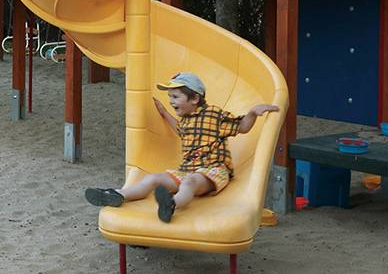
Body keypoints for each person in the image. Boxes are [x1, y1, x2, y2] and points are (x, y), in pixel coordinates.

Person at [84, 72, 277, 222]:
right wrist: (164, 112)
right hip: (187, 170)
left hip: (213, 170)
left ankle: (171, 205)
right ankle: (117, 195)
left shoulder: (214, 114)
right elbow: (180, 130)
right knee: (153, 179)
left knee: (190, 183)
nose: (171, 100)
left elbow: (242, 127)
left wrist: (252, 113)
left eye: (176, 97)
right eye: (170, 97)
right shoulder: (185, 121)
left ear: (194, 99)